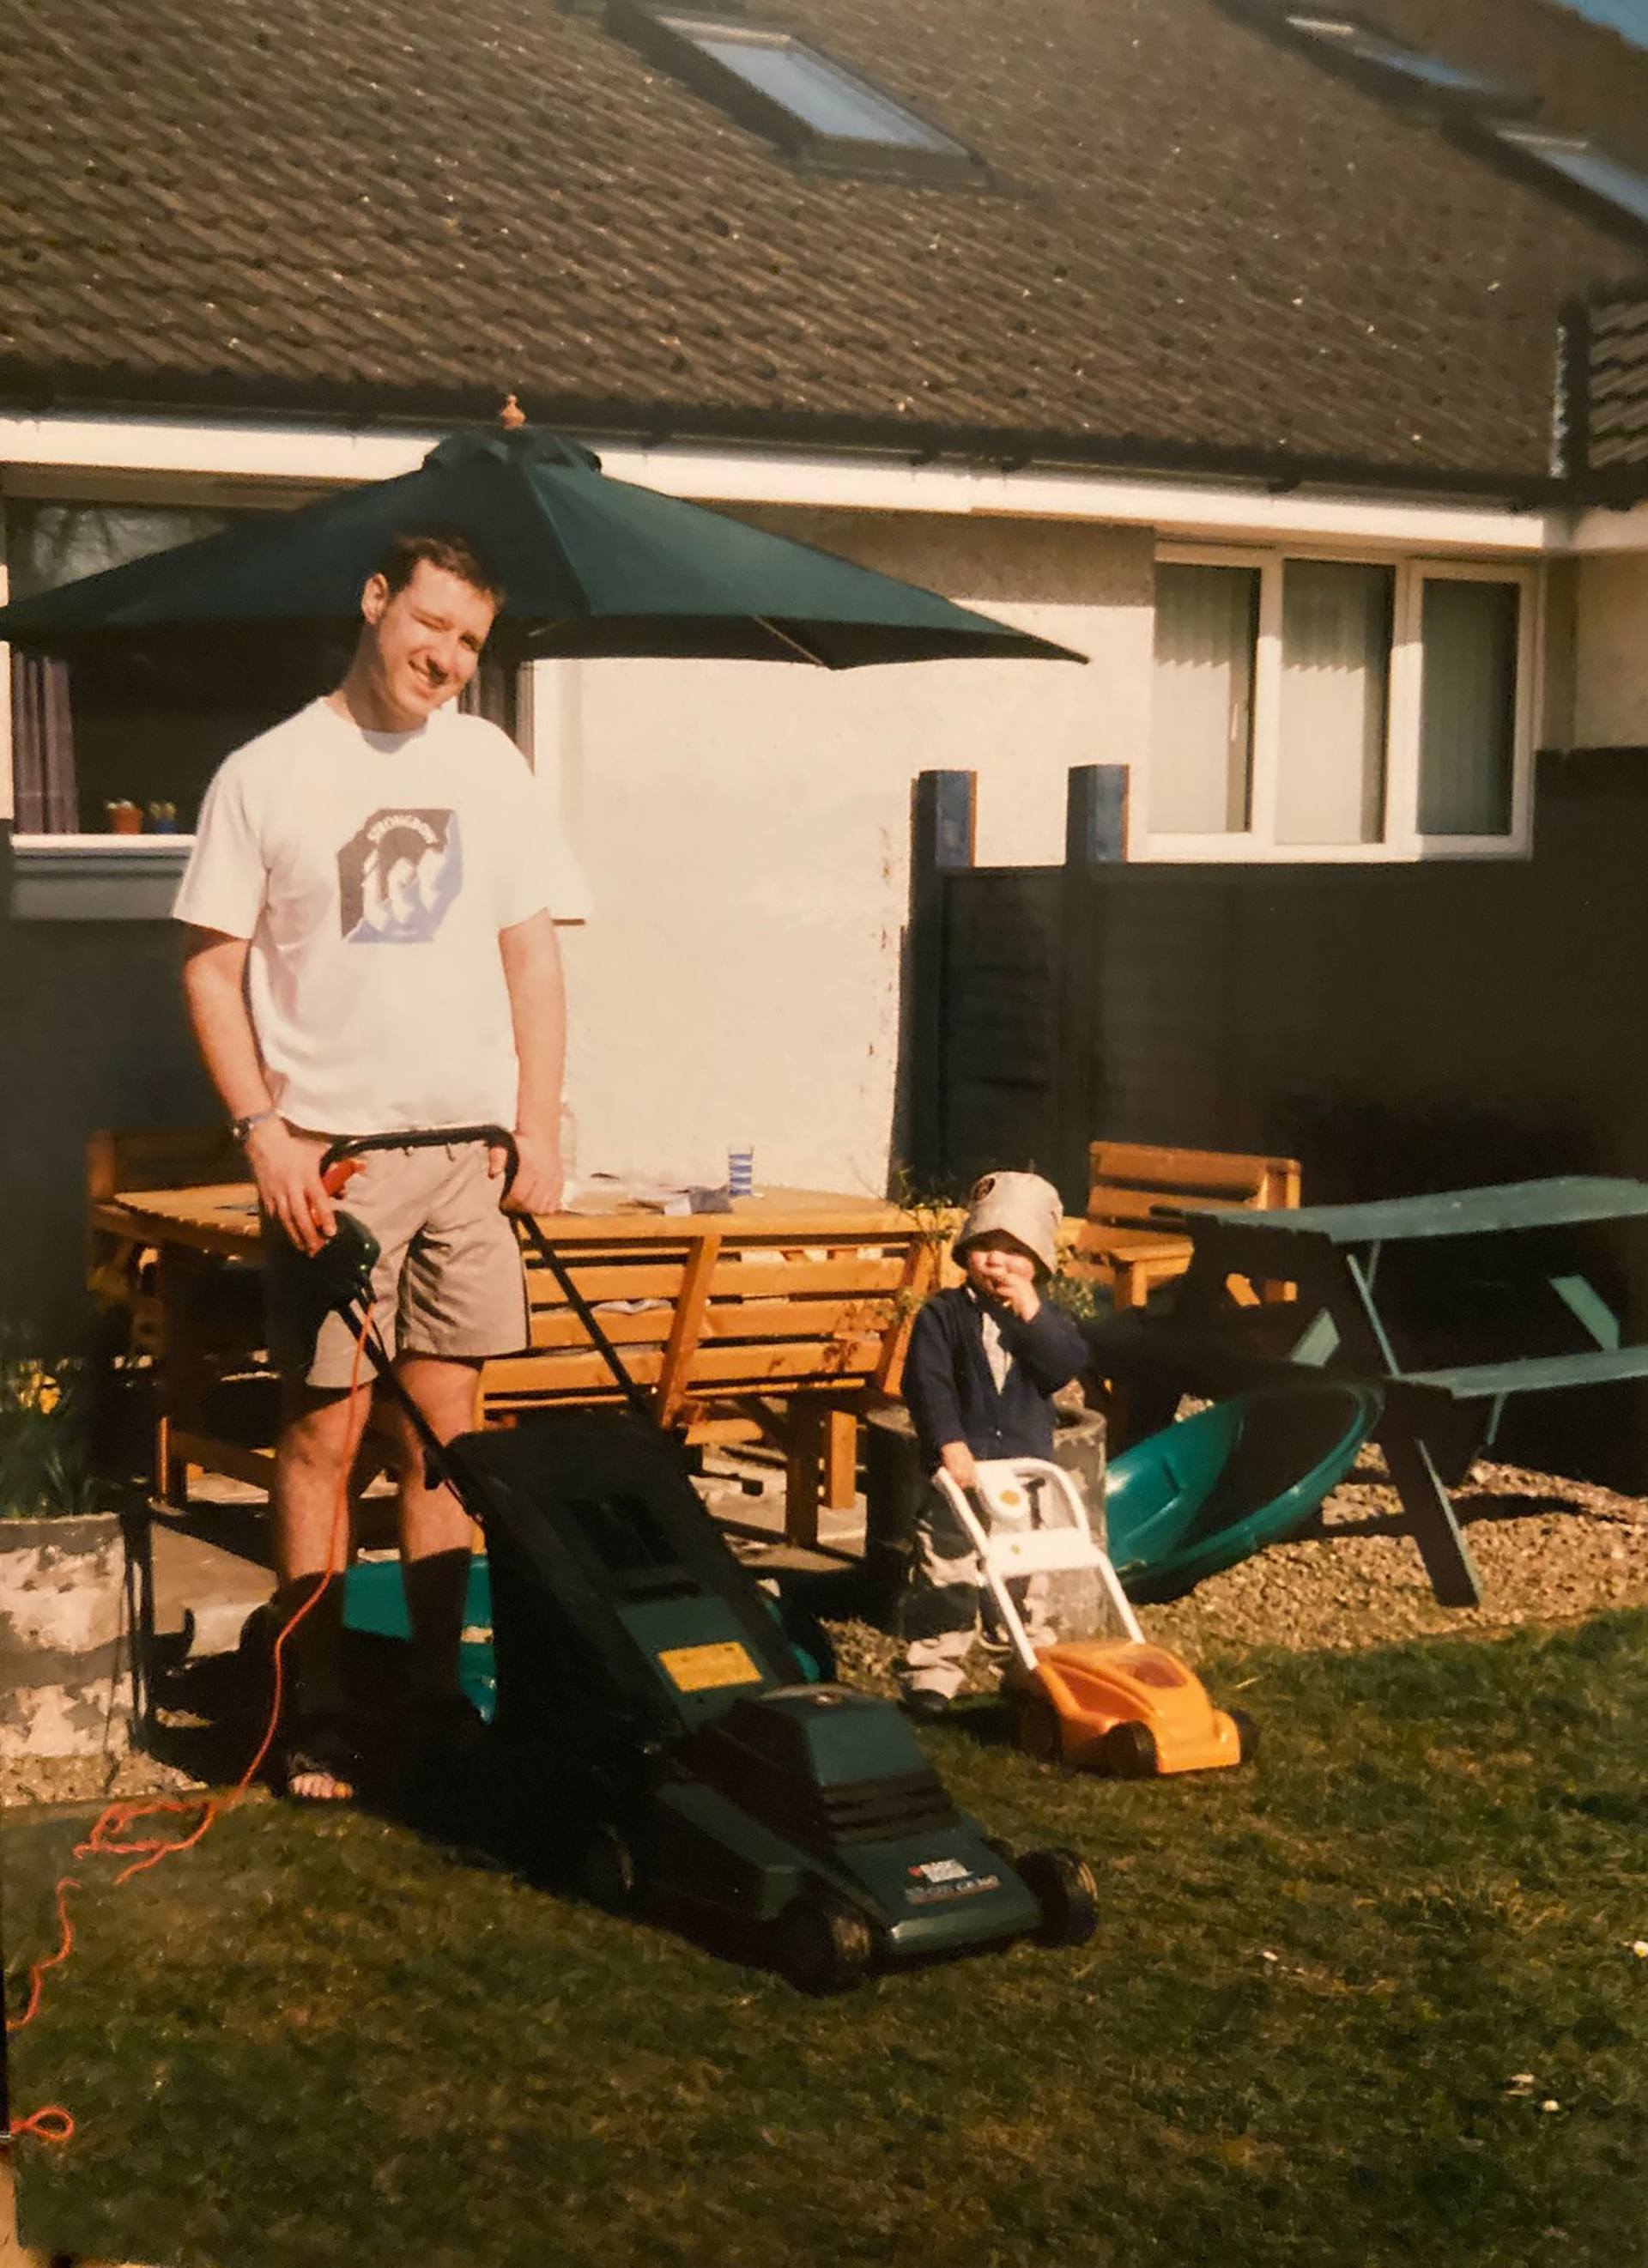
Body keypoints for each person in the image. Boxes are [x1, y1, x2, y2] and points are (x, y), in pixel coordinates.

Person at [174, 529, 571, 1802]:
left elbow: (531, 953)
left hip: (467, 1156)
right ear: (375, 599)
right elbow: (208, 965)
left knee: (448, 1444)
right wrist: (263, 1132)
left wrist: (542, 1120)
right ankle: (315, 1708)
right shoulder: (268, 771)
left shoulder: (491, 764)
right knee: (322, 1435)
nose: (446, 658)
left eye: (470, 643)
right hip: (332, 1164)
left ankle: (440, 1690)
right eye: (431, 625)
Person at [895, 1171, 1088, 1719]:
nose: (996, 1262)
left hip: (1025, 1475)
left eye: (1013, 1252)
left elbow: (1062, 1369)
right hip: (962, 1471)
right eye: (985, 1247)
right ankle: (932, 1670)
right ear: (965, 1252)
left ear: (1039, 1264)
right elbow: (926, 1384)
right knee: (947, 1572)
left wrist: (1032, 1314)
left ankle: (1026, 1663)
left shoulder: (1048, 1322)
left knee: (1027, 1575)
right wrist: (948, 1444)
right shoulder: (944, 1315)